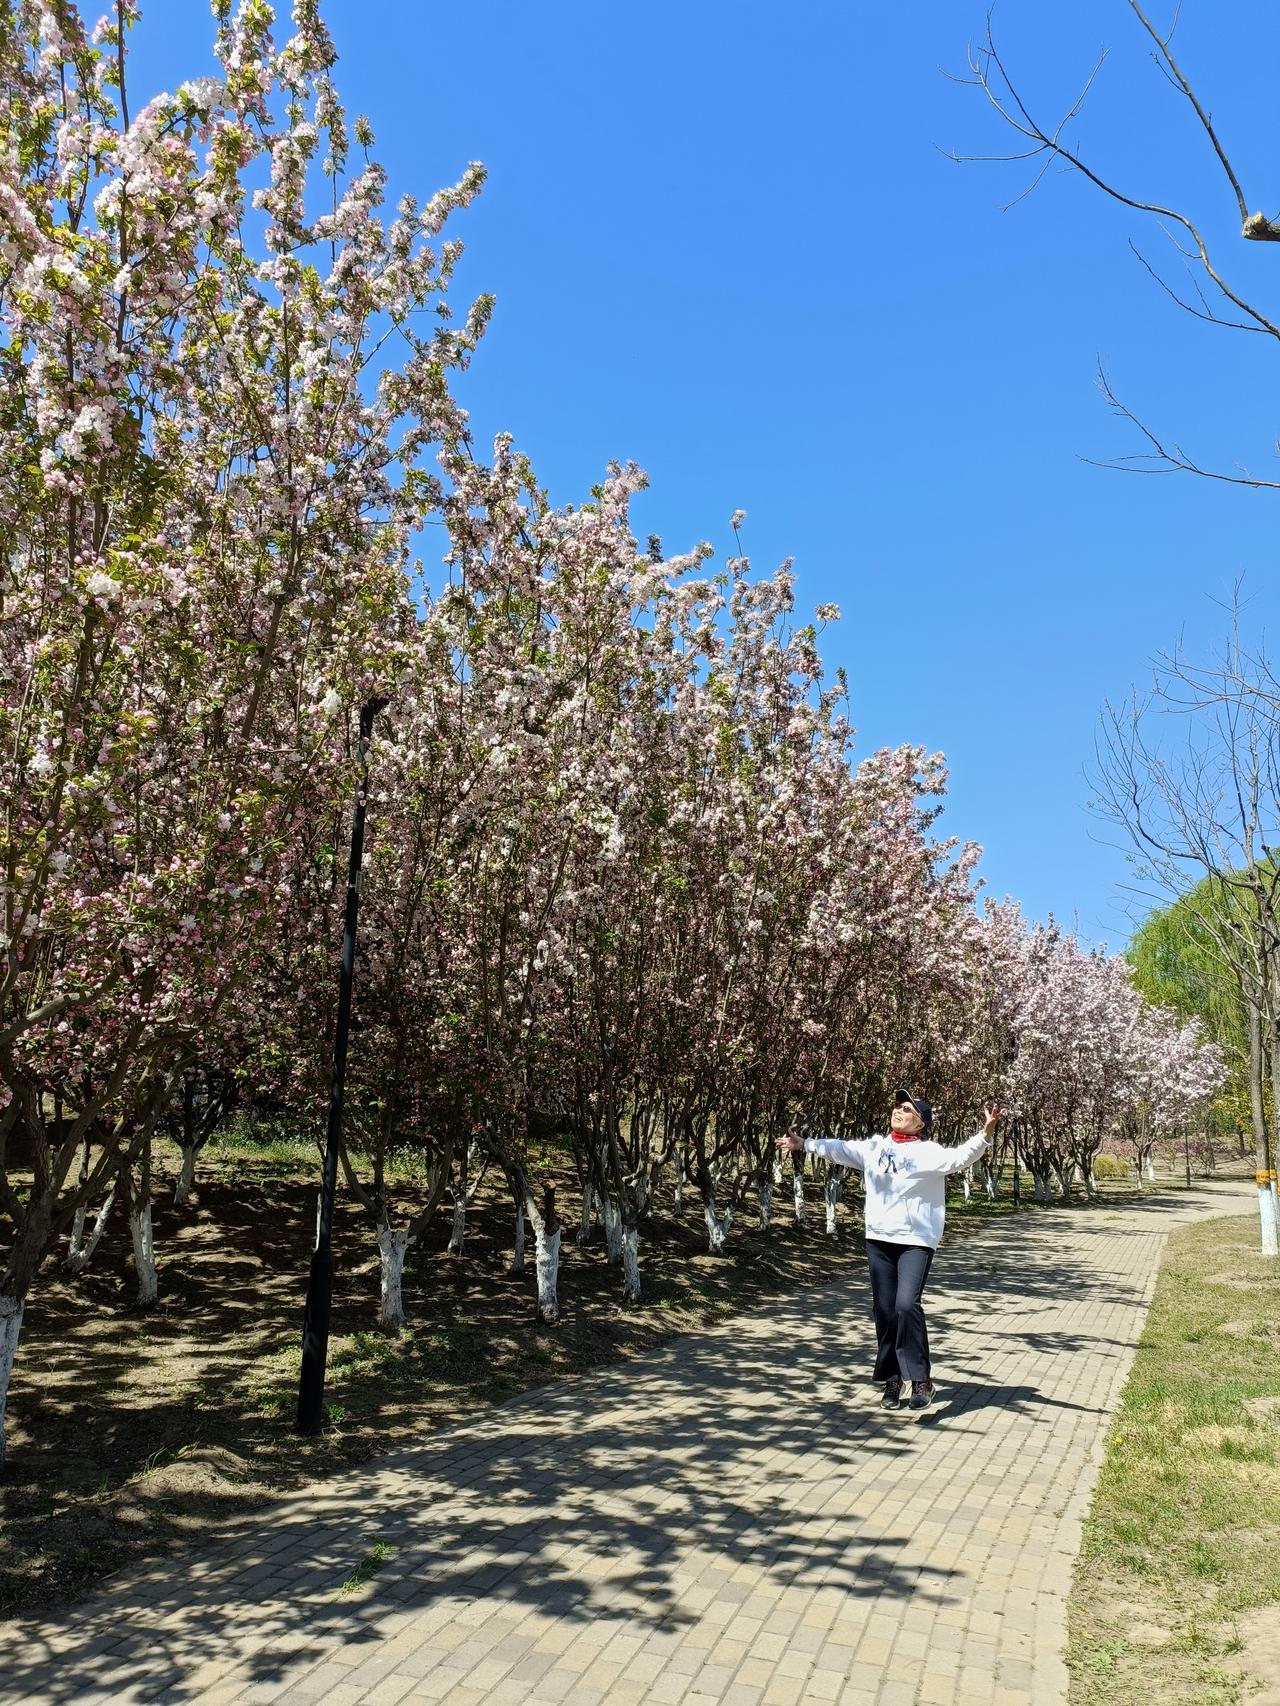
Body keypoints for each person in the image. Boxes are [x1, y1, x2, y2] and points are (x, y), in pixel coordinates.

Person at [776, 1091, 1002, 1410]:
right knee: (884, 1310)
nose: (899, 1110)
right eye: (897, 1105)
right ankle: (892, 1379)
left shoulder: (928, 1152)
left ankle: (921, 1380)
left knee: (906, 1305)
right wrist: (805, 1144)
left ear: (920, 1123)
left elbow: (960, 1157)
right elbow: (840, 1149)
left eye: (907, 1109)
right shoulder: (875, 1148)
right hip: (879, 1239)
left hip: (915, 1241)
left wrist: (985, 1134)